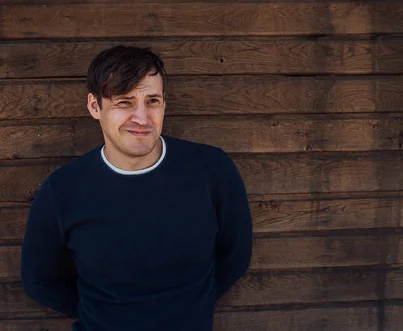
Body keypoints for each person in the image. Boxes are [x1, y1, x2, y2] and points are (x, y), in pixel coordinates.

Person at [20, 45, 253, 331]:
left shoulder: (211, 170)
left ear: (164, 103)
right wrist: (104, 312)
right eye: (125, 102)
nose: (142, 118)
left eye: (152, 100)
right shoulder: (63, 190)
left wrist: (191, 306)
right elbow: (39, 279)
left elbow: (236, 255)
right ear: (95, 106)